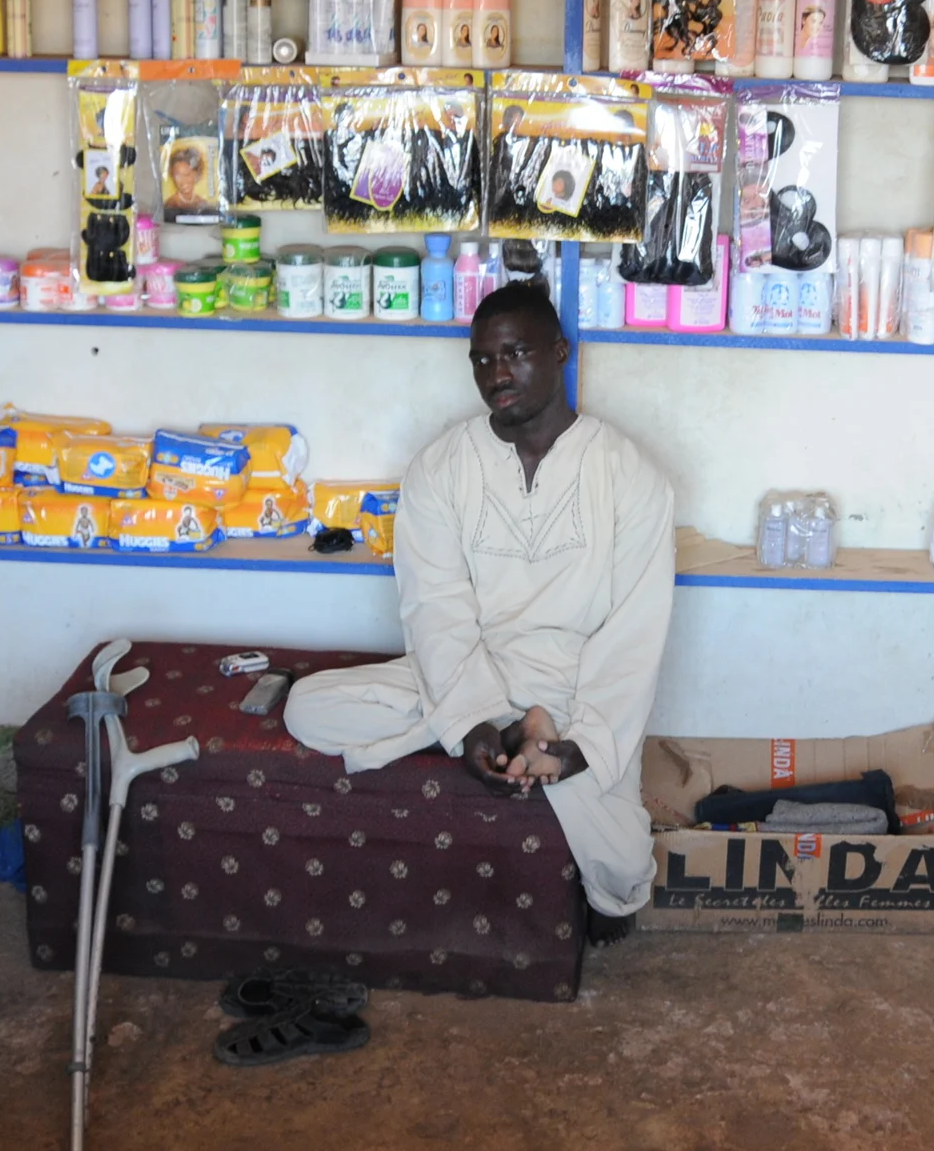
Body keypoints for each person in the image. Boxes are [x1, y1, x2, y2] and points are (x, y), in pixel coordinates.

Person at [285, 283, 675, 943]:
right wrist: (472, 723)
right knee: (307, 708)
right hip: (473, 671)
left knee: (622, 879)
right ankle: (517, 737)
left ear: (559, 352)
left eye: (517, 353)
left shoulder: (629, 474)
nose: (498, 374)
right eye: (483, 359)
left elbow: (636, 628)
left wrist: (582, 748)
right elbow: (434, 610)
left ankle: (541, 744)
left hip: (576, 689)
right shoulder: (440, 469)